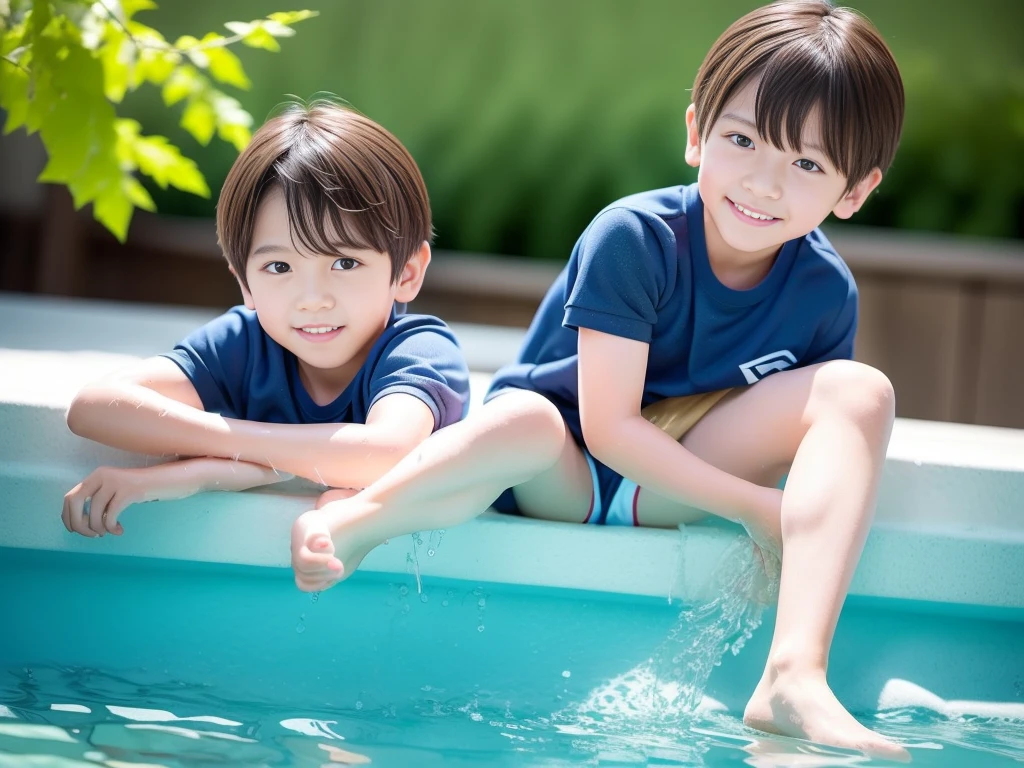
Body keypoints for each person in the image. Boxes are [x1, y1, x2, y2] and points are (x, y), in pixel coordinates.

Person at [289, 1, 906, 758]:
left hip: (673, 483)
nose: (765, 182)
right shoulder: (636, 238)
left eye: (806, 164)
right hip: (562, 469)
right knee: (523, 418)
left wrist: (788, 517)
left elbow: (813, 442)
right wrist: (755, 508)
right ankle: (364, 521)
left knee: (861, 391)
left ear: (855, 191)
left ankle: (794, 673)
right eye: (742, 139)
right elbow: (609, 427)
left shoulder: (823, 291)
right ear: (695, 134)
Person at [61, 102, 470, 539]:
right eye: (279, 267)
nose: (312, 300)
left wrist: (214, 462)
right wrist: (204, 471)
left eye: (345, 263)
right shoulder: (246, 342)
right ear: (246, 284)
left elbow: (383, 454)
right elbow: (94, 407)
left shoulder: (418, 349)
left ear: (406, 273)